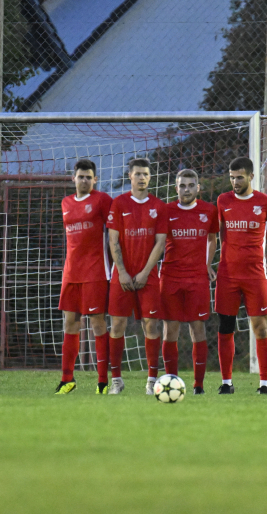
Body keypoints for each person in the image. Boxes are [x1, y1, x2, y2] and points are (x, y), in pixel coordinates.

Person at [215, 157, 267, 395]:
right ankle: (226, 383)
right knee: (225, 327)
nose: (235, 181)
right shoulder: (223, 201)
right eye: (232, 177)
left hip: (256, 275)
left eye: (240, 177)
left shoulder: (266, 202)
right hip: (227, 275)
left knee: (261, 327)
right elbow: (213, 234)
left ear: (251, 176)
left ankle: (264, 384)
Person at [106, 158, 167, 395]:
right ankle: (117, 381)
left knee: (151, 325)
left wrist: (144, 272)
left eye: (146, 174)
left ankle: (152, 381)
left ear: (150, 178)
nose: (142, 178)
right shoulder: (118, 204)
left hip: (149, 276)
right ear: (129, 176)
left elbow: (160, 242)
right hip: (121, 276)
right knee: (117, 325)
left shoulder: (159, 206)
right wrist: (121, 271)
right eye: (138, 174)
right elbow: (113, 240)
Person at [55, 159, 113, 395]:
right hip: (71, 272)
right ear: (74, 178)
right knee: (70, 323)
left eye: (89, 177)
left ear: (95, 179)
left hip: (95, 271)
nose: (85, 180)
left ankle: (102, 381)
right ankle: (67, 379)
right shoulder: (66, 203)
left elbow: (114, 232)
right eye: (81, 177)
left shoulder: (102, 200)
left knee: (97, 324)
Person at [160, 169, 219, 394]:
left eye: (190, 185)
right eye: (182, 185)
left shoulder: (209, 211)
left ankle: (198, 385)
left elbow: (213, 239)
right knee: (170, 331)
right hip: (170, 277)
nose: (186, 189)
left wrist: (206, 264)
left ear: (198, 188)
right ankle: (171, 382)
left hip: (197, 278)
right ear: (176, 189)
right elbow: (158, 243)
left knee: (198, 329)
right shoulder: (166, 211)